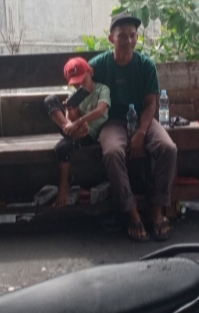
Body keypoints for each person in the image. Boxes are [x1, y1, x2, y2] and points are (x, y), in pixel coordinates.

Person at [89, 13, 177, 242]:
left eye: (132, 35)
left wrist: (140, 132)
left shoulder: (145, 65)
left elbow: (151, 104)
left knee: (168, 148)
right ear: (111, 38)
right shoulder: (99, 65)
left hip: (141, 119)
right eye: (122, 36)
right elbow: (80, 92)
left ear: (137, 38)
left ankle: (158, 210)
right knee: (112, 152)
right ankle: (132, 213)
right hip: (111, 121)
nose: (128, 41)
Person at [43, 57, 110, 208]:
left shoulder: (102, 89)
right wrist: (70, 112)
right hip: (74, 129)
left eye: (81, 80)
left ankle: (63, 185)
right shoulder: (75, 94)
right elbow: (71, 119)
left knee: (61, 148)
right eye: (75, 82)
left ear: (90, 72)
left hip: (89, 132)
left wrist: (77, 123)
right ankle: (72, 132)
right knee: (49, 100)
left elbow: (100, 111)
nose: (79, 85)